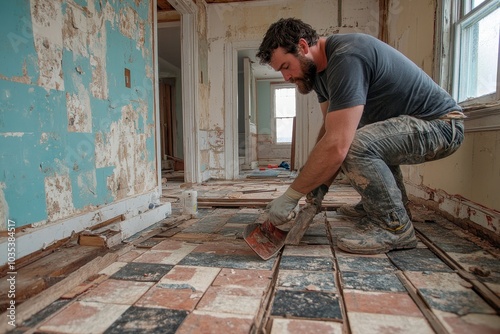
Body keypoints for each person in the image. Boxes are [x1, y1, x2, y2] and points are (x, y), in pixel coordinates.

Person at [256, 18, 465, 254]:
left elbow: (338, 145)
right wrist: (314, 195)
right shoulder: (320, 76)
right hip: (413, 126)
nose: (286, 77)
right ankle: (384, 207)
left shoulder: (346, 57)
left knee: (353, 145)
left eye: (285, 67)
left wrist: (292, 195)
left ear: (303, 47)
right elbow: (329, 133)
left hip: (442, 125)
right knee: (350, 142)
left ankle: (394, 227)